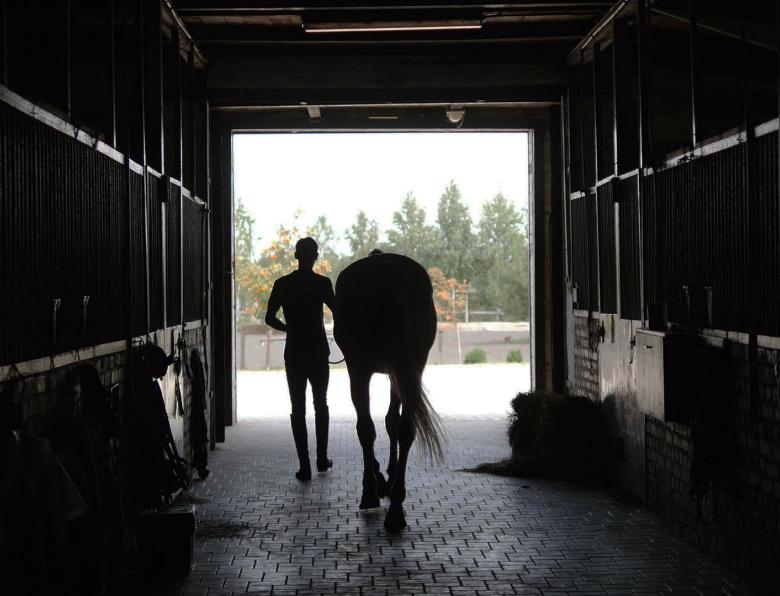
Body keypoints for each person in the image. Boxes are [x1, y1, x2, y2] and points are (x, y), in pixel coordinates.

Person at [265, 237, 336, 481]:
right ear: (315, 256)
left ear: (296, 256)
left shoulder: (282, 284)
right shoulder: (323, 284)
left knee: (298, 408)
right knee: (321, 404)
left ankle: (304, 465)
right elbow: (339, 312)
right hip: (318, 351)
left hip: (294, 351)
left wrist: (289, 329)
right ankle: (321, 459)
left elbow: (269, 318)